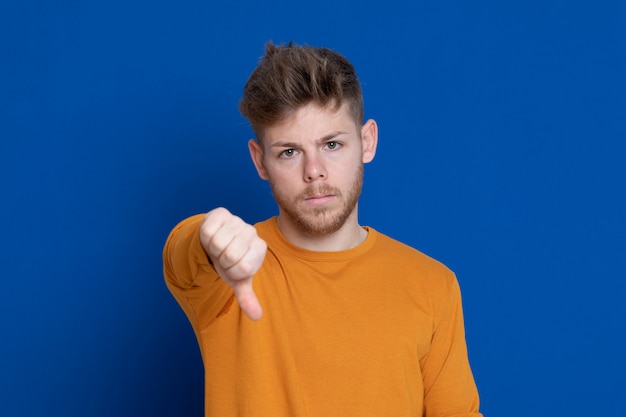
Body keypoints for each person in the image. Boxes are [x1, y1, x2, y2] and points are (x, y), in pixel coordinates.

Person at [163, 41, 482, 417]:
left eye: (331, 144)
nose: (314, 170)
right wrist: (209, 236)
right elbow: (184, 254)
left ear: (367, 141)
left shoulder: (433, 285)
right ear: (259, 160)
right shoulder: (226, 277)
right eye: (289, 152)